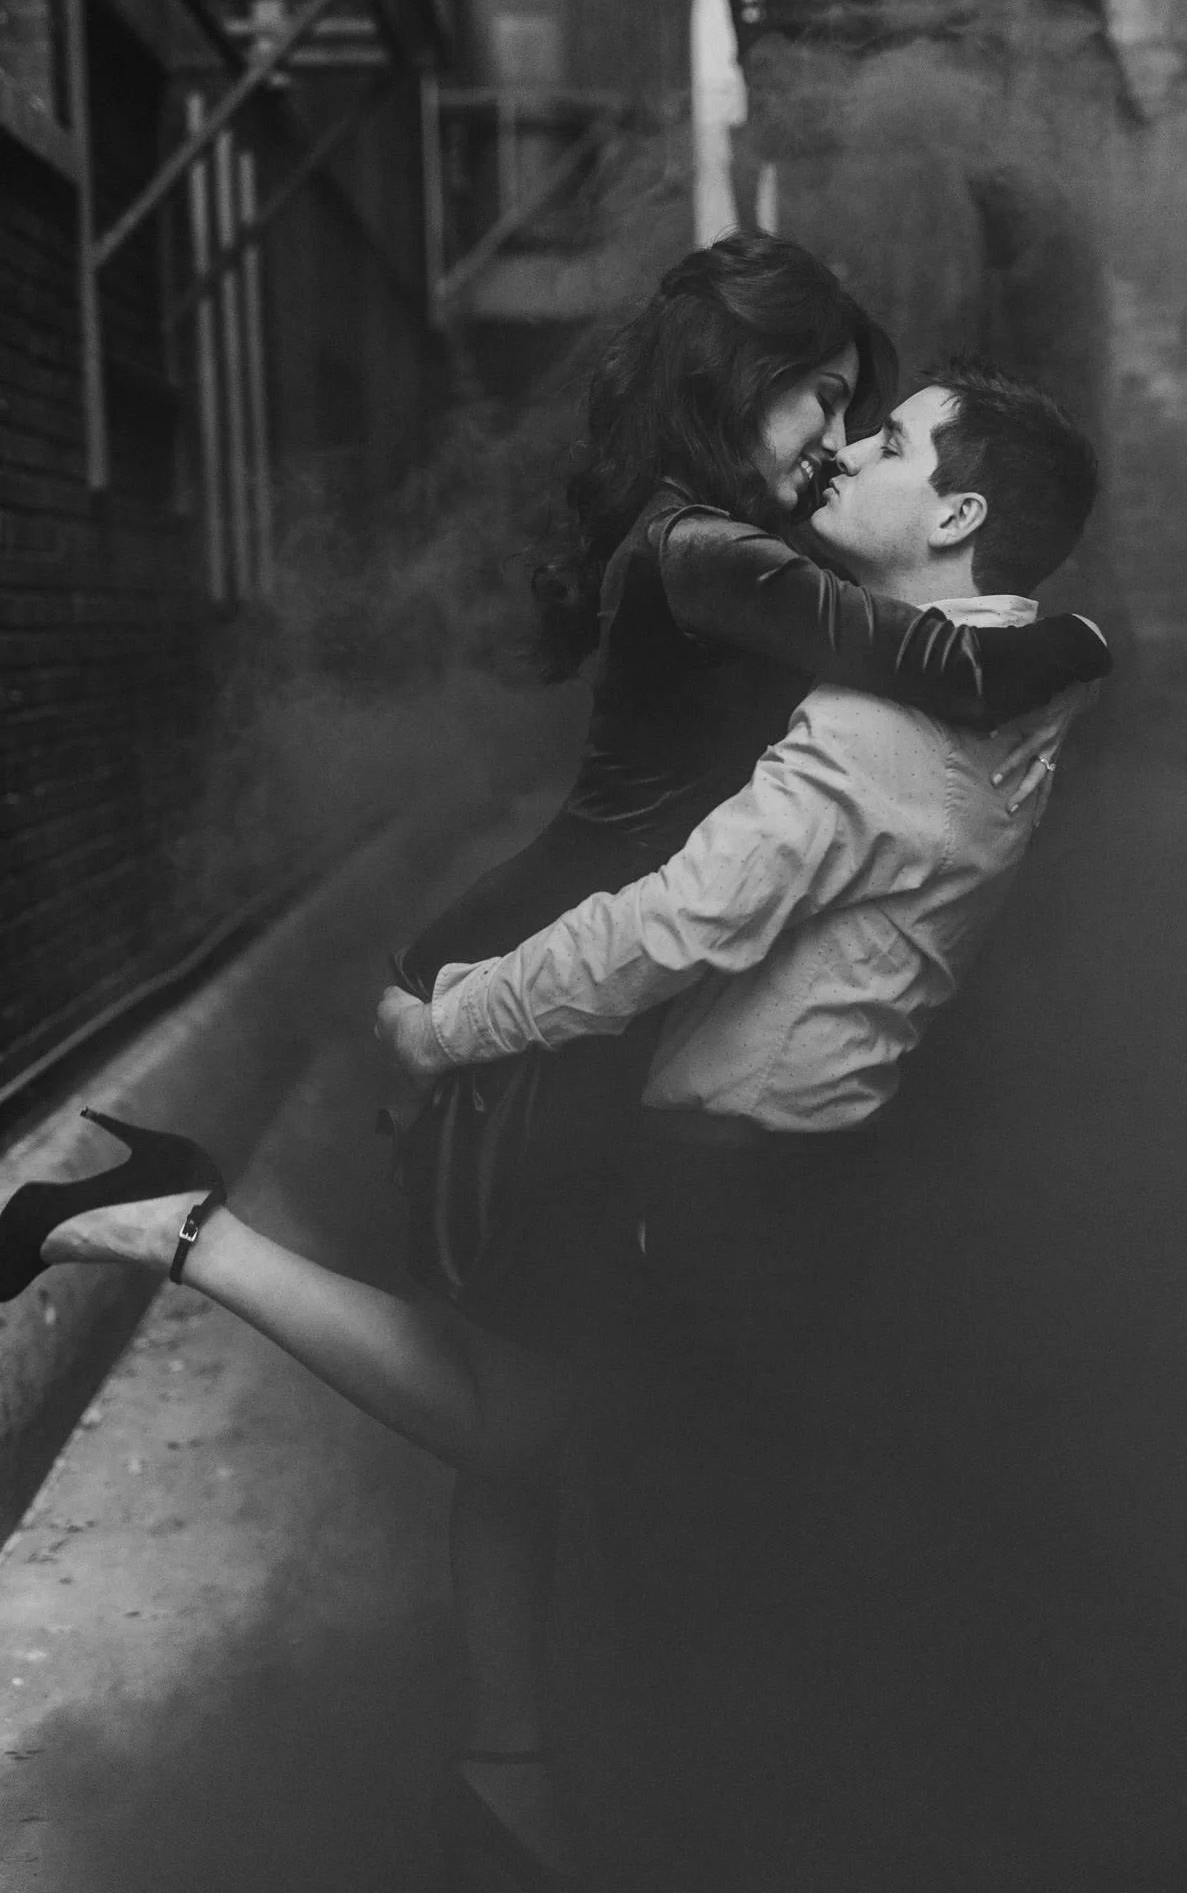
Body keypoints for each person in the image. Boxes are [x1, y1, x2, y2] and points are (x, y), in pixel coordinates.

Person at [13, 232, 1106, 1887]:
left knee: (537, 1408)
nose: (837, 437)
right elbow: (936, 670)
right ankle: (181, 1239)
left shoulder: (741, 547)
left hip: (575, 1007)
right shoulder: (719, 555)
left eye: (866, 419)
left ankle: (511, 1763)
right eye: (823, 399)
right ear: (740, 384)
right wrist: (1072, 641)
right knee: (530, 1416)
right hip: (539, 1000)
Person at [377, 358, 1104, 1873]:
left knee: (678, 1573)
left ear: (955, 516)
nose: (849, 450)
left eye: (889, 439)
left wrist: (448, 1023)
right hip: (821, 1178)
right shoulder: (1022, 669)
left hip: (732, 1203)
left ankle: (655, 1830)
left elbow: (662, 932)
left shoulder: (879, 731)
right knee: (731, 1552)